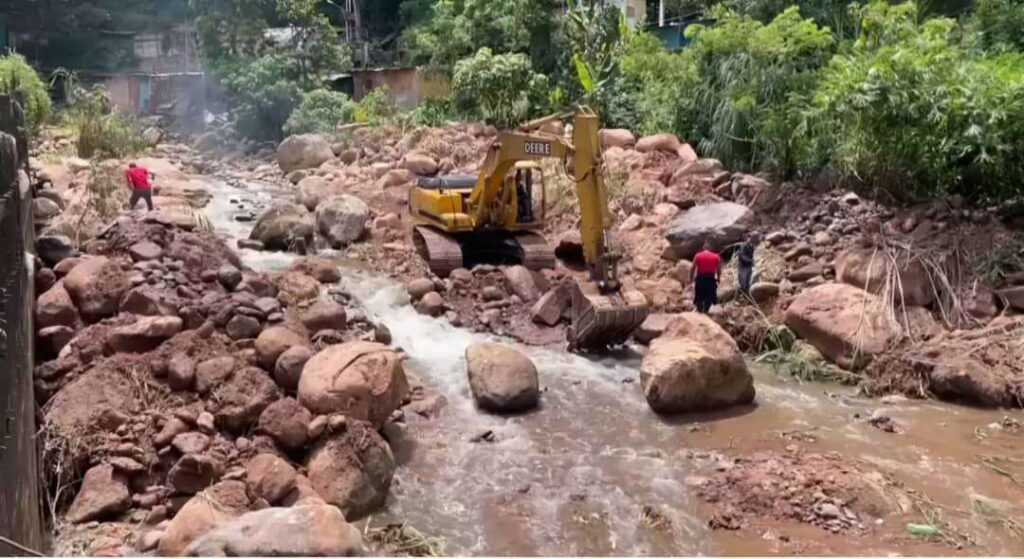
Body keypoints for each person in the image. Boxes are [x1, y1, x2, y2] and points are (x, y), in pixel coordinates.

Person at [690, 241, 721, 313]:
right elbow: (718, 270)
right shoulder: (716, 256)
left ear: (703, 248)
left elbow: (693, 268)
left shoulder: (697, 255)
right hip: (710, 278)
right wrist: (718, 278)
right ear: (711, 249)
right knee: (709, 296)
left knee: (699, 296)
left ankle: (699, 311)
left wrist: (691, 277)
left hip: (700, 278)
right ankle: (706, 311)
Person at [736, 233, 757, 299]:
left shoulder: (751, 246)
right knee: (743, 282)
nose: (750, 239)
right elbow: (741, 256)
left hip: (748, 266)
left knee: (748, 282)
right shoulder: (743, 246)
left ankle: (746, 297)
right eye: (749, 237)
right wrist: (750, 261)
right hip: (743, 267)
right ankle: (740, 297)